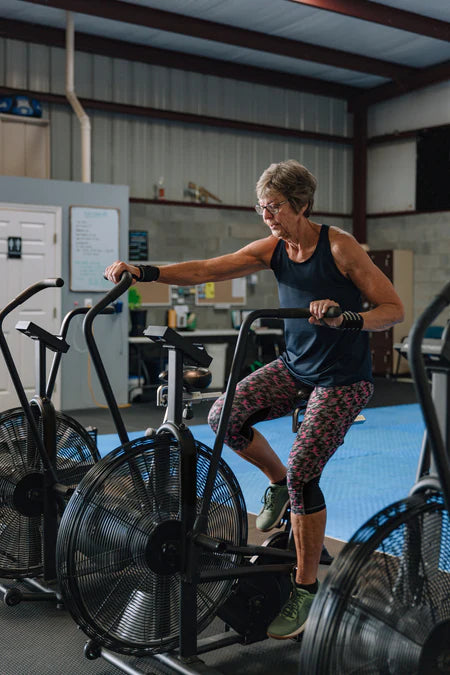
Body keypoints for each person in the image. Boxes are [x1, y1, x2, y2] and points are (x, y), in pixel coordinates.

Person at [104, 159, 404, 640]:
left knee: (307, 465)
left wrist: (347, 318)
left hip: (343, 380)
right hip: (294, 367)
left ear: (302, 205)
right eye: (262, 207)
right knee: (224, 413)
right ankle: (276, 481)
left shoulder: (340, 248)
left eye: (276, 207)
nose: (267, 216)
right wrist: (144, 270)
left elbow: (392, 310)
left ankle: (304, 586)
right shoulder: (274, 248)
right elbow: (208, 268)